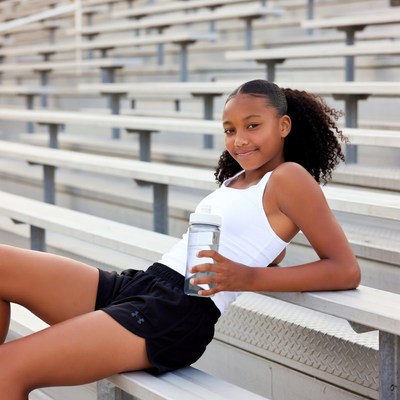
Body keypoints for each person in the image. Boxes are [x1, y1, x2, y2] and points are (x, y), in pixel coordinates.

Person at [0, 79, 360, 399]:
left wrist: (249, 277)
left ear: (283, 126)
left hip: (175, 313)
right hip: (143, 286)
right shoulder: (237, 180)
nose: (240, 139)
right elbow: (264, 240)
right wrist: (263, 253)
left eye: (253, 126)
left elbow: (345, 270)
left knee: (7, 370)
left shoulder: (291, 177)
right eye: (230, 130)